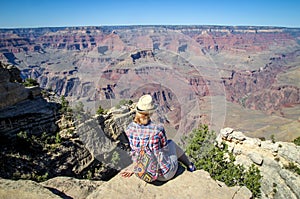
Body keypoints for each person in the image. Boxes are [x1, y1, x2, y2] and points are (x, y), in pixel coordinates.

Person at [120, 94, 196, 181]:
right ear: (151, 112)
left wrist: (134, 168)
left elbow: (135, 151)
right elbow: (165, 149)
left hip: (143, 173)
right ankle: (190, 165)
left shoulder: (129, 128)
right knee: (171, 143)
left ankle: (189, 165)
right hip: (164, 174)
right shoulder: (158, 129)